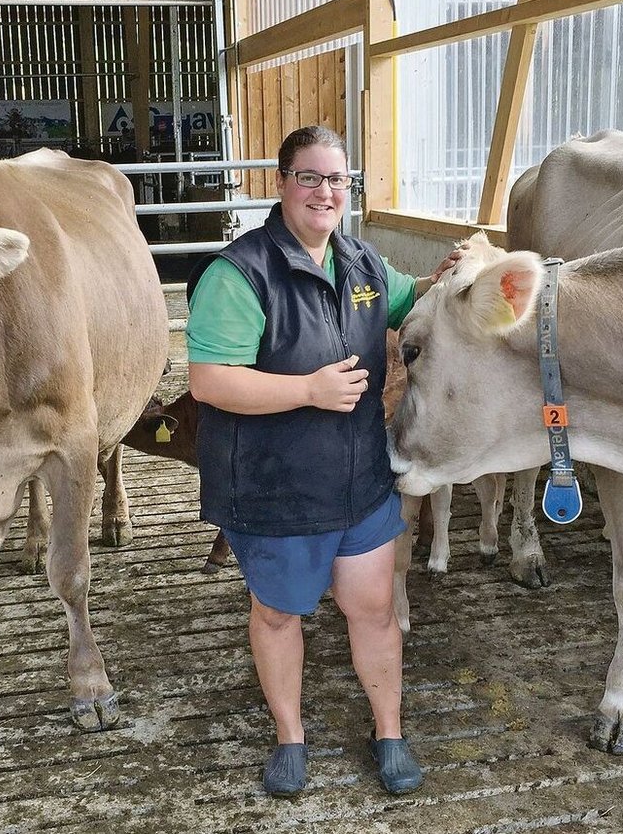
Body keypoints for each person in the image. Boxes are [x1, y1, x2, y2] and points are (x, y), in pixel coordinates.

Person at [185, 125, 459, 797]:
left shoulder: (363, 264)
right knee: (279, 614)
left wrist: (443, 280)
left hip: (359, 482)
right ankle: (290, 736)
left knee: (374, 610)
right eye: (310, 177)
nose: (325, 191)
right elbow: (209, 379)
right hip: (275, 489)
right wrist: (309, 390)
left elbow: (408, 299)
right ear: (282, 184)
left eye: (337, 179)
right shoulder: (240, 273)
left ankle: (388, 728)